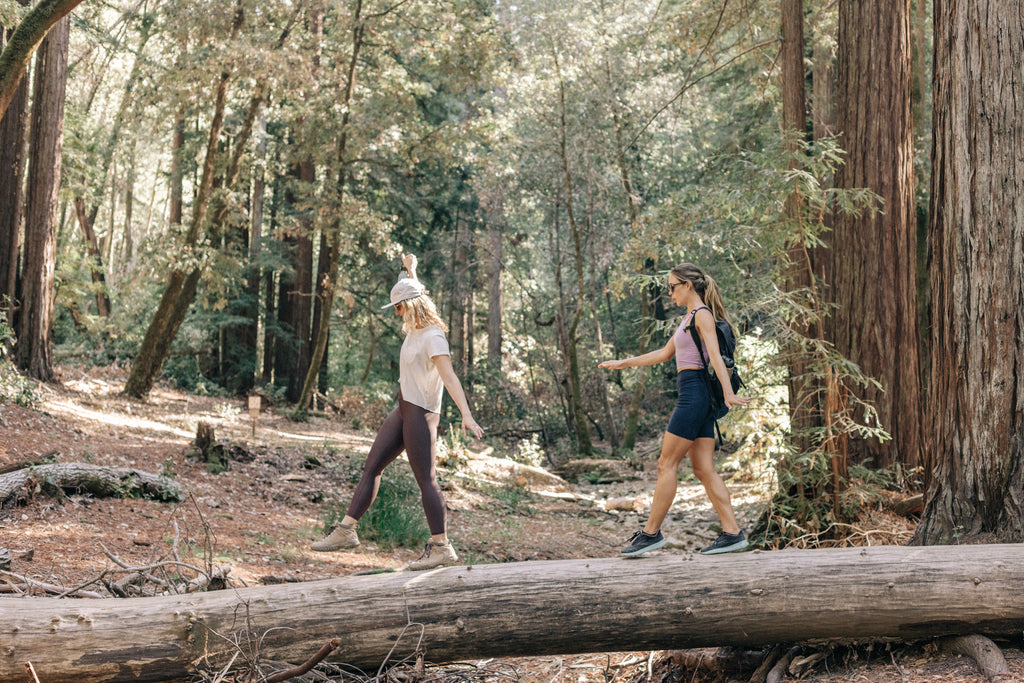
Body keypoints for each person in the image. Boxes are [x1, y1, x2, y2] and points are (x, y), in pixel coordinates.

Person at [312, 253, 484, 571]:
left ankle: (442, 547)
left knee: (426, 481)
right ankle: (346, 531)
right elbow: (417, 290)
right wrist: (411, 271)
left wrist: (466, 414)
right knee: (372, 466)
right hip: (404, 408)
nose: (396, 312)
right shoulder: (416, 328)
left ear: (410, 306)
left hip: (421, 413)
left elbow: (450, 377)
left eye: (398, 307)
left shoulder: (432, 336)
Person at [599, 263, 751, 556]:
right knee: (703, 468)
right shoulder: (689, 318)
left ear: (687, 286)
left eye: (672, 287)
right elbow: (665, 354)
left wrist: (729, 393)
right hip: (698, 397)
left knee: (665, 464)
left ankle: (650, 534)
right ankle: (733, 533)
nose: (669, 293)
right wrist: (624, 363)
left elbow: (717, 359)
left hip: (694, 396)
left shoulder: (702, 315)